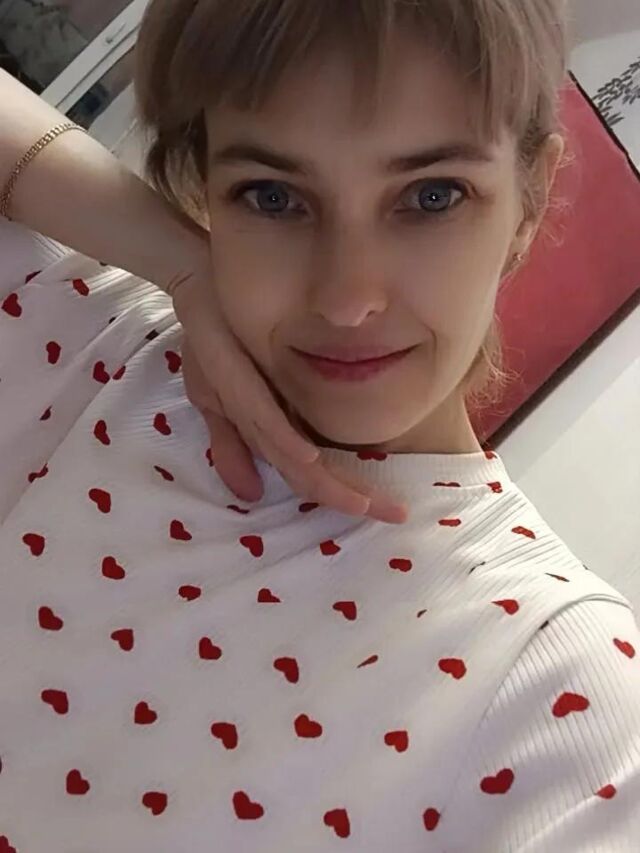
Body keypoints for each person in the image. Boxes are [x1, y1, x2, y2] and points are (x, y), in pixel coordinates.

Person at [0, 0, 638, 850]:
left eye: (432, 195)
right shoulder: (108, 349)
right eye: (272, 196)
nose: (347, 298)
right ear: (201, 185)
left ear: (529, 200)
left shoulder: (558, 684)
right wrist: (180, 267)